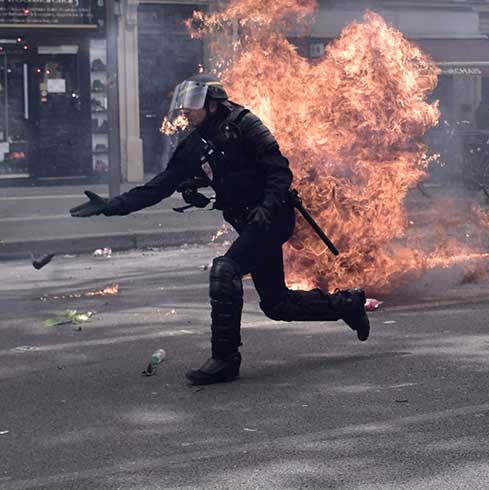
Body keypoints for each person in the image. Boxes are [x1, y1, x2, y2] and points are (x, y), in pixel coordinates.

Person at [71, 74, 370, 385]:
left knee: (224, 271)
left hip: (272, 218)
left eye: (193, 103)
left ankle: (225, 359)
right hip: (246, 222)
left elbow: (279, 171)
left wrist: (267, 207)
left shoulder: (245, 124)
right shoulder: (193, 144)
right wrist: (111, 205)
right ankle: (346, 305)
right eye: (183, 104)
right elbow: (158, 187)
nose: (184, 111)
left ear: (213, 105)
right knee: (276, 304)